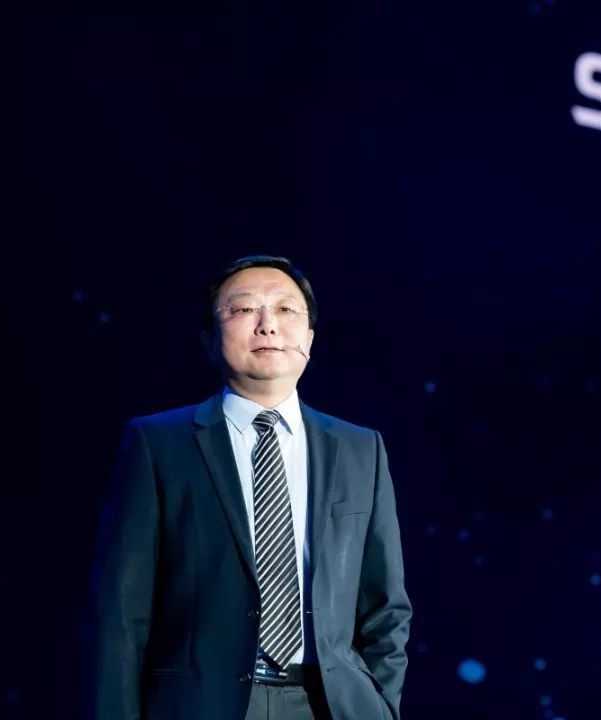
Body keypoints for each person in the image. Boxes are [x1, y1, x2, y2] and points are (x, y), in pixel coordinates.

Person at [85, 255, 412, 720]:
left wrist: (379, 707)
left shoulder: (361, 449)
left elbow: (386, 606)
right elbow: (121, 612)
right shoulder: (158, 444)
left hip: (330, 706)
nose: (267, 325)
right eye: (242, 309)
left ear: (309, 338)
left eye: (286, 309)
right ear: (209, 339)